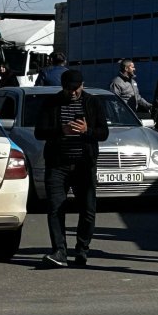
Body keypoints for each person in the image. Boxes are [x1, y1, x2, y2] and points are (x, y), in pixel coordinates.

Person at [33, 69, 109, 269]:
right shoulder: (52, 103)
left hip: (84, 164)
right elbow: (39, 132)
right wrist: (61, 131)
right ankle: (59, 251)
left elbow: (103, 133)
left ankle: (82, 249)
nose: (72, 93)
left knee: (88, 210)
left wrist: (87, 131)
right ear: (63, 87)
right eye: (68, 89)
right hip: (58, 165)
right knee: (56, 208)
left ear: (82, 85)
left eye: (76, 89)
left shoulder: (92, 103)